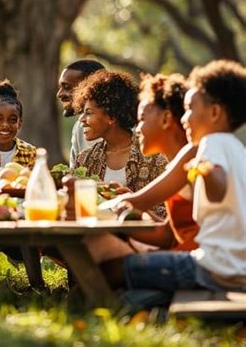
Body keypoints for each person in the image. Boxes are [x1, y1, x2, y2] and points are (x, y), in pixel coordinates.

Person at [105, 60, 246, 309]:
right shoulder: (237, 149)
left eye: (191, 108)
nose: (185, 118)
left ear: (215, 113)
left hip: (211, 267)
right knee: (134, 291)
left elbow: (218, 187)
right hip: (234, 268)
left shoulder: (209, 145)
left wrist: (205, 171)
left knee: (113, 269)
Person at [84, 73, 198, 265]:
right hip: (184, 253)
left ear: (166, 119)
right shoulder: (177, 161)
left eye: (143, 118)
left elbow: (137, 203)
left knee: (101, 252)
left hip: (194, 261)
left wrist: (112, 208)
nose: (137, 129)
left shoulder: (191, 159)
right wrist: (125, 216)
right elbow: (168, 235)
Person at [73, 70, 167, 197]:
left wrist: (130, 200)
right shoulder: (85, 159)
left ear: (111, 117)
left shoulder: (153, 156)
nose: (81, 119)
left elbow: (165, 208)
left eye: (89, 113)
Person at [56, 60, 105, 167]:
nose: (59, 94)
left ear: (91, 87)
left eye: (67, 87)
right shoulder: (79, 128)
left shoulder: (130, 131)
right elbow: (75, 175)